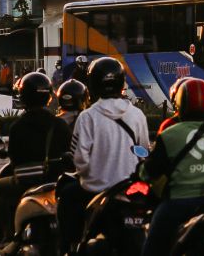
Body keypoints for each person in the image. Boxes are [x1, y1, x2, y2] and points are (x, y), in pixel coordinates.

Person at [56, 57, 150, 254]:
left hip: (95, 191)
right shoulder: (137, 115)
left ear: (93, 84)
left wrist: (91, 173)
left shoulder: (88, 117)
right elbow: (143, 153)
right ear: (121, 83)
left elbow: (79, 160)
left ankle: (69, 246)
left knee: (66, 193)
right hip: (129, 190)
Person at [143, 78, 204, 254]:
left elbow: (151, 170)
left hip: (180, 202)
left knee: (152, 248)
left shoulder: (168, 134)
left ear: (180, 104)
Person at [0, 72, 72, 243]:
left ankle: (7, 233)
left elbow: (15, 159)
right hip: (55, 181)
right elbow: (68, 152)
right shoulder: (60, 125)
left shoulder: (18, 126)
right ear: (49, 97)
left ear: (24, 96)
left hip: (26, 182)